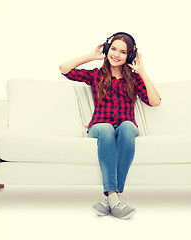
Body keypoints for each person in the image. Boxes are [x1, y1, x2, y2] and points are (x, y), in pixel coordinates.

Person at [59, 32, 161, 219]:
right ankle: (115, 198)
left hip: (124, 128)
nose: (116, 54)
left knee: (129, 126)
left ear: (129, 56)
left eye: (123, 51)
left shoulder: (134, 79)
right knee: (106, 127)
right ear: (107, 49)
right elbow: (64, 68)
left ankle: (111, 199)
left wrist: (142, 71)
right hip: (99, 127)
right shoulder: (96, 75)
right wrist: (91, 56)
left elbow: (155, 102)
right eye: (113, 48)